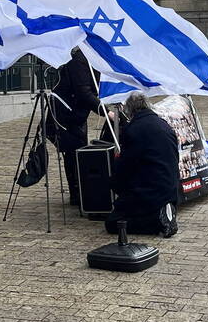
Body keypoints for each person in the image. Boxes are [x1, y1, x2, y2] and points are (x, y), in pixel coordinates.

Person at [105, 93, 179, 237]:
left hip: (150, 190)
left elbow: (126, 165)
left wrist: (114, 184)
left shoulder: (134, 129)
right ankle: (163, 211)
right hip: (170, 187)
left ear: (130, 111)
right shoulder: (163, 124)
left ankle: (157, 222)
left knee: (113, 223)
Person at [46, 48, 113, 207]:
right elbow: (83, 92)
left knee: (77, 153)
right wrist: (106, 111)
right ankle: (77, 195)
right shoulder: (80, 60)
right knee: (73, 154)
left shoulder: (93, 58)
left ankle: (81, 193)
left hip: (76, 115)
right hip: (66, 116)